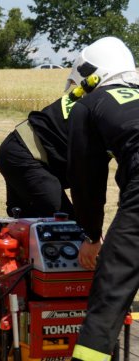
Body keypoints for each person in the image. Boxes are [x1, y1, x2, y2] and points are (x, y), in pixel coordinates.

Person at [0, 79, 90, 277]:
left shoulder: (106, 99)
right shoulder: (113, 110)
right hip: (25, 154)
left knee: (27, 223)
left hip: (30, 154)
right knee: (68, 227)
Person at [66, 37, 139, 361]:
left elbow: (87, 183)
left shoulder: (89, 105)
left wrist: (91, 235)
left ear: (92, 76)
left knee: (108, 297)